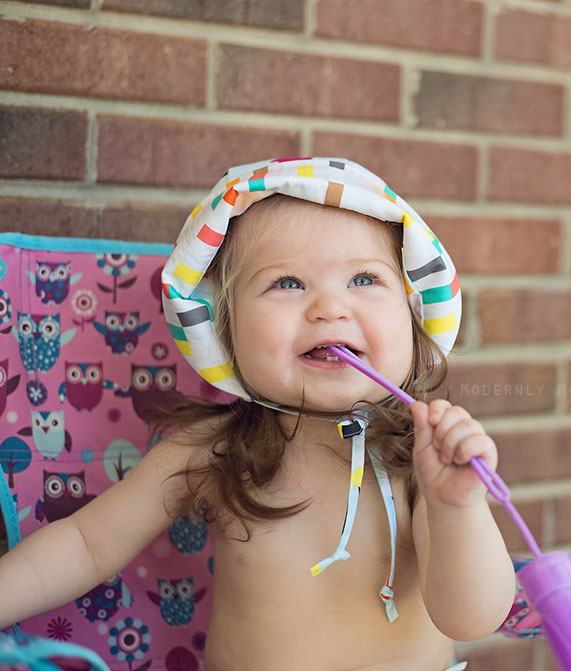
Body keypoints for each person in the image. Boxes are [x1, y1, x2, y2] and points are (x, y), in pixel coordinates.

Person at [0, 158, 517, 670]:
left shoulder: (424, 460)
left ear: (413, 313)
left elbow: (471, 620)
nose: (330, 308)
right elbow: (88, 544)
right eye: (287, 283)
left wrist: (456, 509)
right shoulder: (211, 450)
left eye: (364, 279)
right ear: (225, 332)